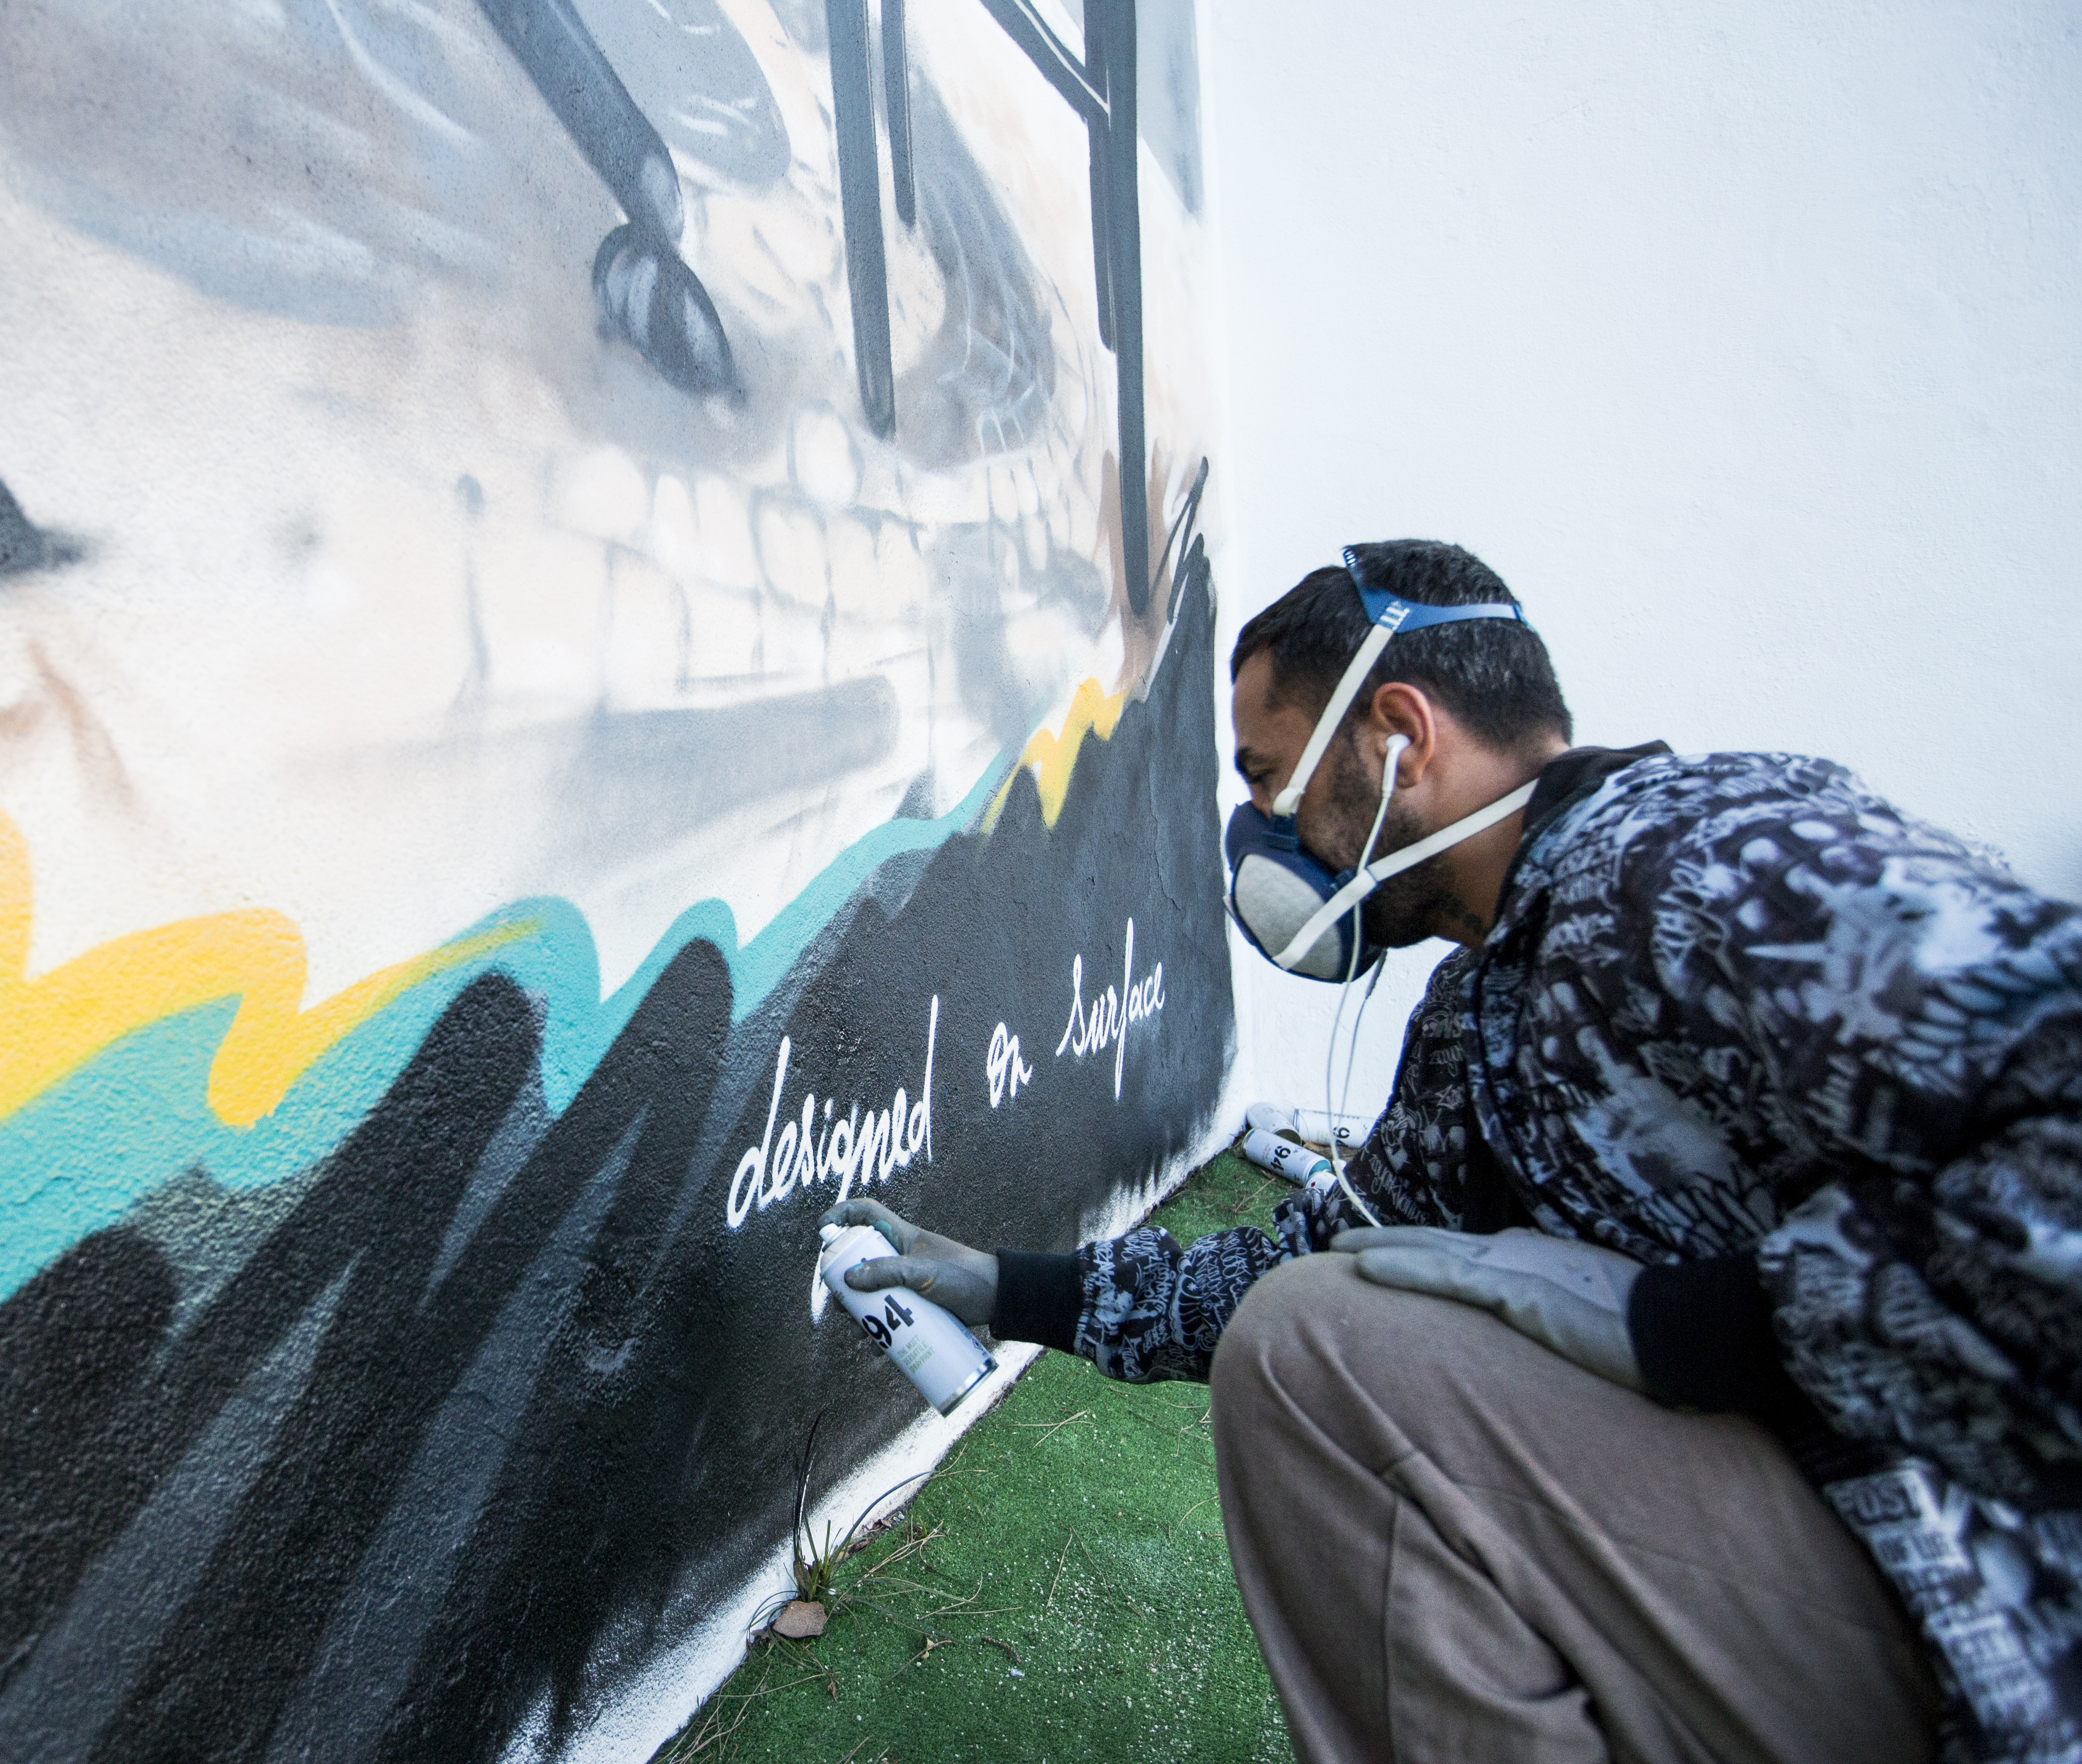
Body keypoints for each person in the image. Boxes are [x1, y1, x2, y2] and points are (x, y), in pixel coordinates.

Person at [827, 539, 2082, 1764]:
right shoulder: (1484, 1015)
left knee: (1317, 1343)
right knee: (1320, 1321)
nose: (1262, 828)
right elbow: (1308, 1269)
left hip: (1990, 1616)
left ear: (1399, 735)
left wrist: (1699, 1325)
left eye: (1269, 777)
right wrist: (1007, 1288)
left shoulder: (1700, 858)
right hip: (1833, 1572)